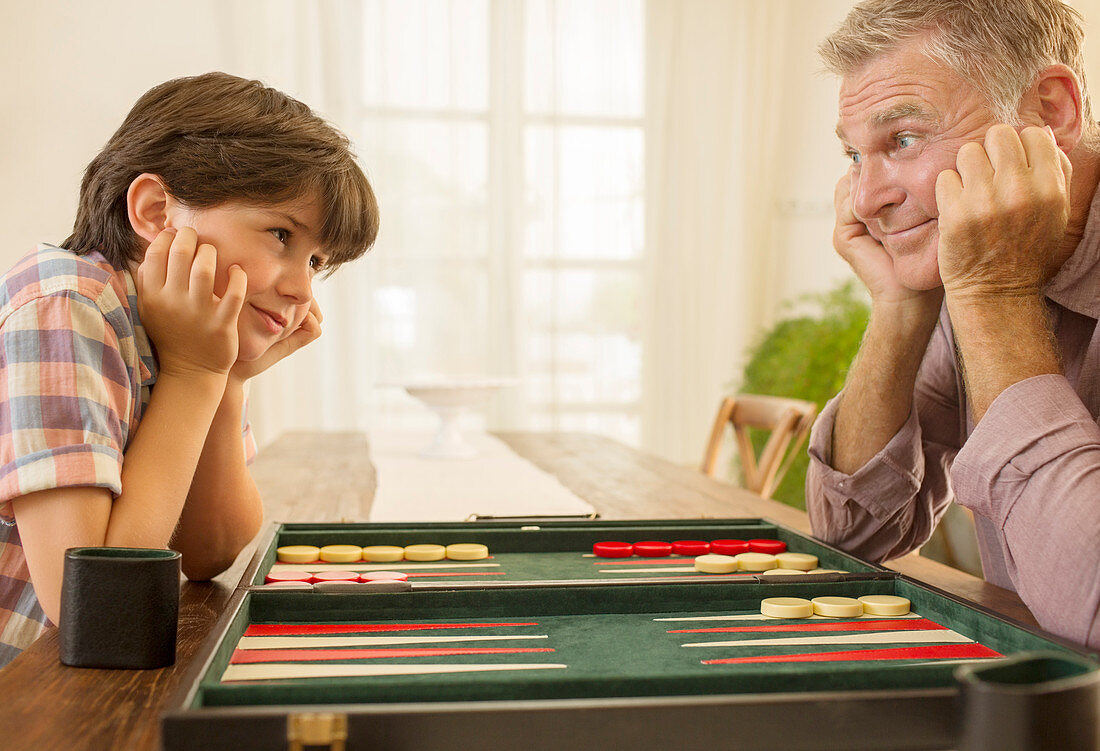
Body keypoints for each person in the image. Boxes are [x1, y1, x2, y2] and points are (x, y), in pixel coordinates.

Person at [0, 72, 379, 668]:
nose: (302, 287)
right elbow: (97, 607)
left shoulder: (184, 330)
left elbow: (209, 550)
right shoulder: (65, 302)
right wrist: (197, 373)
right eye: (281, 234)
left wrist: (224, 380)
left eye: (316, 261)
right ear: (155, 212)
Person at [805, 0, 1100, 650]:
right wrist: (899, 308)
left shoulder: (985, 268)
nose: (864, 198)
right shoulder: (961, 261)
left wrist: (996, 291)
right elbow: (851, 537)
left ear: (1052, 112)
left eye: (903, 139)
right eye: (855, 154)